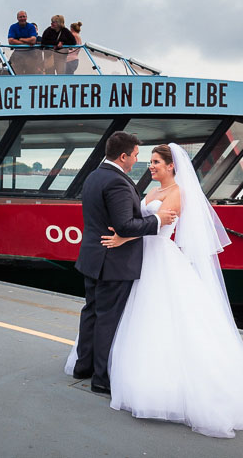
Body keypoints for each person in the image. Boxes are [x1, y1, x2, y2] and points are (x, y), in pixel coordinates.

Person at [73, 143, 243, 438]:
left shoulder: (178, 193)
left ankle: (122, 374)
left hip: (158, 259)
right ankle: (111, 371)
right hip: (137, 257)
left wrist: (124, 236)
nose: (150, 165)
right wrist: (125, 236)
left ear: (172, 166)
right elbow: (140, 222)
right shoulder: (151, 192)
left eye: (156, 161)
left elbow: (160, 225)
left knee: (151, 317)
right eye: (148, 160)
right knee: (126, 317)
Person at [70, 131, 174, 395]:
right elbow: (124, 225)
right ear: (124, 155)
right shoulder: (116, 182)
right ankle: (102, 379)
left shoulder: (94, 176)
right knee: (107, 319)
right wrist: (159, 220)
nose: (138, 160)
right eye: (136, 155)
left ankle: (83, 367)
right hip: (113, 261)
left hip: (92, 257)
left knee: (91, 312)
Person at [7, 10, 40, 75]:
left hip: (31, 55)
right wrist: (27, 43)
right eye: (20, 17)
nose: (22, 18)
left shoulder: (31, 27)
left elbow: (33, 40)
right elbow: (10, 41)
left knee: (31, 75)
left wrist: (20, 39)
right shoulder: (13, 27)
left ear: (26, 17)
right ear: (17, 18)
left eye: (24, 16)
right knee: (17, 74)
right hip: (18, 55)